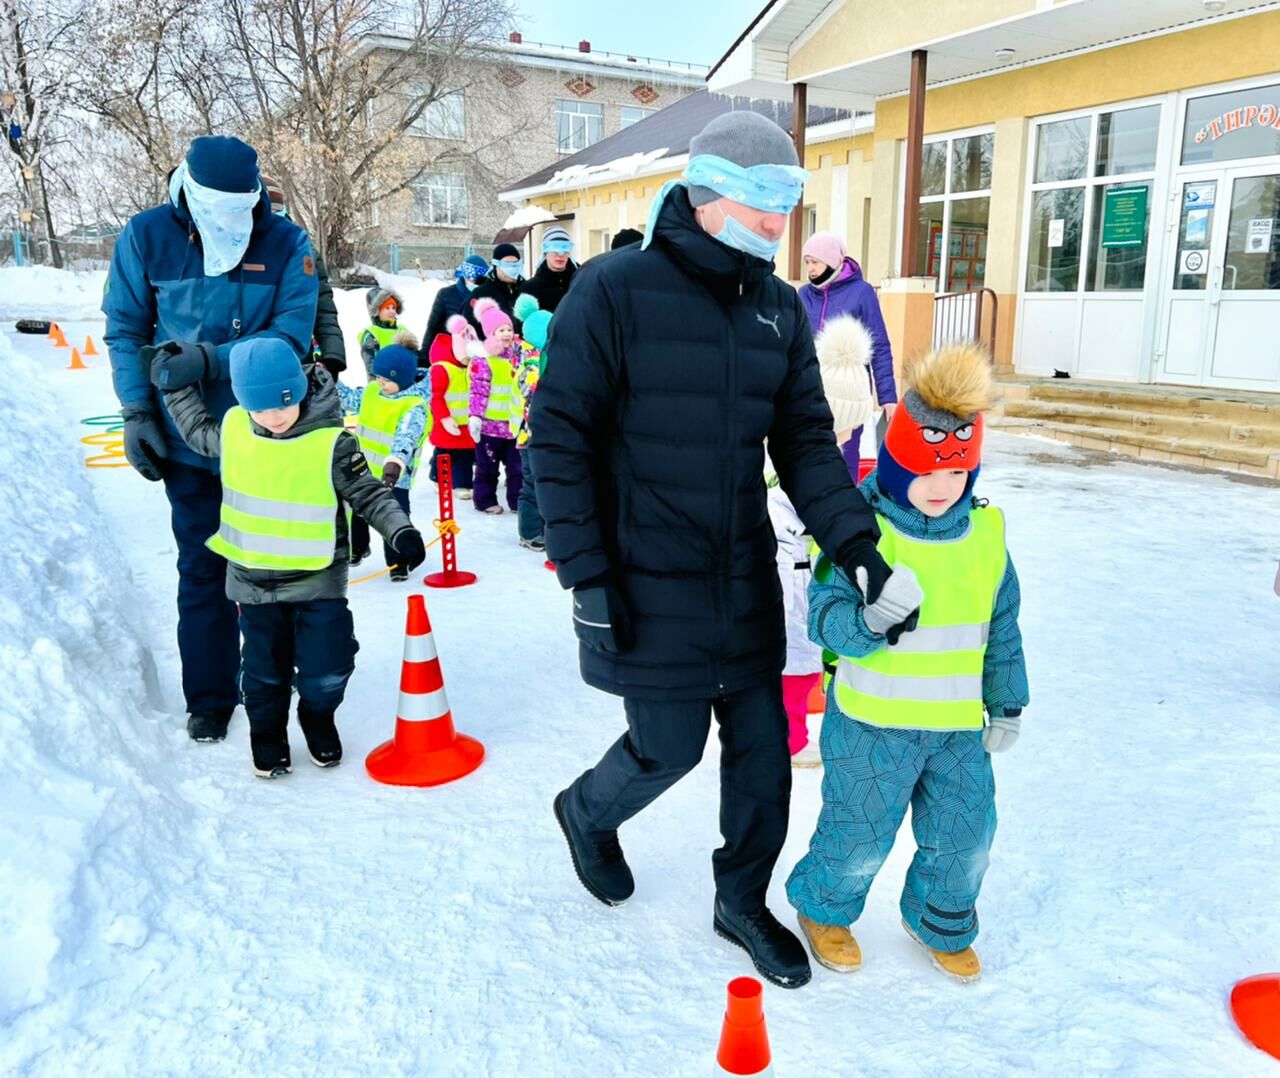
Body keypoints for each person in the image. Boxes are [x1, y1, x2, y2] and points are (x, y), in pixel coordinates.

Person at [531, 110, 922, 991]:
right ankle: (587, 813)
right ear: (709, 197)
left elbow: (808, 449)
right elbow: (556, 435)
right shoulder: (614, 291)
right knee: (666, 747)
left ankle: (741, 898)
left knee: (762, 758)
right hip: (642, 574)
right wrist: (583, 570)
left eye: (790, 206)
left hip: (741, 573)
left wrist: (860, 552)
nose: (781, 225)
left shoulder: (778, 310)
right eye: (765, 203)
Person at [786, 344, 1028, 983]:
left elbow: (1000, 625)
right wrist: (865, 623)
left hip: (955, 730)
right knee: (860, 832)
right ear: (895, 464)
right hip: (872, 723)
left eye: (957, 475)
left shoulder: (985, 534)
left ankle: (940, 920)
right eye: (926, 472)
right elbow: (823, 619)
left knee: (966, 836)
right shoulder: (862, 531)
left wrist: (1007, 701)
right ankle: (825, 910)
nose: (942, 489)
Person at [105, 134, 319, 744]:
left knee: (275, 563)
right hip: (185, 438)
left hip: (270, 433)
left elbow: (290, 337)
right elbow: (126, 326)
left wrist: (209, 359)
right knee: (203, 568)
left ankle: (274, 678)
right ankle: (211, 694)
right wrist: (136, 410)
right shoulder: (148, 237)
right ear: (188, 190)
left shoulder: (284, 241)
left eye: (240, 205)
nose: (230, 219)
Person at [152, 337, 426, 777]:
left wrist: (400, 529)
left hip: (318, 579)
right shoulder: (236, 429)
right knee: (264, 672)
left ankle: (317, 717)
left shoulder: (331, 443)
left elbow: (368, 492)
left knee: (329, 664)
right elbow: (198, 433)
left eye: (283, 404)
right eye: (260, 408)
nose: (273, 418)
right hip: (254, 581)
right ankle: (267, 733)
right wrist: (173, 387)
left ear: (299, 389)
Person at [768, 314, 876, 768]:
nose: (851, 436)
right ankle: (790, 741)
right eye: (848, 426)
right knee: (795, 661)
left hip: (795, 572)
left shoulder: (793, 449)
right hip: (789, 577)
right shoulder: (805, 464)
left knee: (800, 660)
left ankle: (792, 728)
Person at [798, 231, 897, 470]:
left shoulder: (861, 292)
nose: (810, 269)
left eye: (815, 262)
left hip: (849, 391)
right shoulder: (803, 295)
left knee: (846, 452)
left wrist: (888, 397)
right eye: (807, 262)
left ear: (832, 262)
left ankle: (845, 501)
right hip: (811, 387)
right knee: (808, 448)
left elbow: (879, 345)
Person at [335, 343, 430, 581]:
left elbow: (405, 438)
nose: (381, 383)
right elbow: (348, 399)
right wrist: (331, 380)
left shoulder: (413, 407)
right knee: (356, 511)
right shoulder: (370, 393)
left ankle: (398, 561)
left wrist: (394, 464)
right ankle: (357, 546)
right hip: (362, 472)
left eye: (387, 379)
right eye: (377, 377)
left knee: (392, 515)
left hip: (393, 478)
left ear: (404, 379)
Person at [262, 174, 347, 379]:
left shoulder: (304, 250)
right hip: (256, 356)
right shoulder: (242, 253)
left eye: (277, 210)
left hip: (299, 355)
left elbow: (323, 307)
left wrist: (332, 355)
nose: (274, 218)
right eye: (268, 211)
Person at [467, 298, 523, 515]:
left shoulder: (517, 358)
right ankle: (484, 499)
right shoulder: (484, 361)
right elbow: (478, 391)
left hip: (513, 426)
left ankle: (519, 501)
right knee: (487, 468)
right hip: (489, 429)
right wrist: (476, 417)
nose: (507, 333)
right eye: (501, 330)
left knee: (517, 469)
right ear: (491, 334)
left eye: (509, 328)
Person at [511, 294, 552, 552]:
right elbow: (532, 395)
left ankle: (541, 528)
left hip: (542, 435)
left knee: (542, 482)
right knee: (532, 485)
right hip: (530, 436)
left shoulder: (542, 360)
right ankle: (529, 532)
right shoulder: (530, 365)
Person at [426, 322, 478, 499]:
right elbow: (436, 397)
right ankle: (438, 479)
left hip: (467, 424)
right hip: (447, 423)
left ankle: (463, 484)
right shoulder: (443, 370)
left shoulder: (471, 368)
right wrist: (444, 418)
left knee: (466, 454)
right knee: (444, 452)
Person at [423, 254, 487, 354]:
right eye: (470, 275)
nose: (473, 281)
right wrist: (424, 357)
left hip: (480, 355)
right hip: (449, 354)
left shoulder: (488, 297)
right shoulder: (446, 295)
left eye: (478, 277)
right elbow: (433, 328)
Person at [518, 226, 576, 314]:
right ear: (545, 252)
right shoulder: (529, 289)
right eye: (554, 249)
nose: (560, 254)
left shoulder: (580, 282)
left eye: (565, 249)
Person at [471, 242, 527, 329]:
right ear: (496, 265)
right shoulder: (481, 294)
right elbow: (470, 328)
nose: (512, 268)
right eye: (507, 264)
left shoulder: (526, 290)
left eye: (515, 263)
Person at [359, 287, 404, 377]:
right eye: (387, 308)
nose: (392, 311)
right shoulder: (372, 334)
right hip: (382, 382)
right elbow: (370, 363)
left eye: (394, 307)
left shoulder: (402, 330)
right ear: (377, 311)